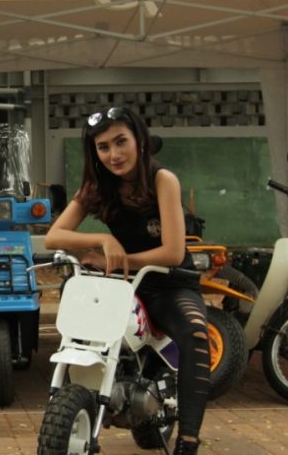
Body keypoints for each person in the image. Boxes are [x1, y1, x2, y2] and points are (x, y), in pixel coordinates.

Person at [43, 106, 209, 455]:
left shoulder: (163, 180)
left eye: (121, 142)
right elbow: (54, 236)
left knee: (195, 333)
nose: (114, 154)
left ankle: (189, 440)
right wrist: (102, 240)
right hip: (120, 286)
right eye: (103, 147)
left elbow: (173, 252)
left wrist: (118, 261)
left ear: (140, 141)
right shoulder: (96, 187)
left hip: (170, 284)